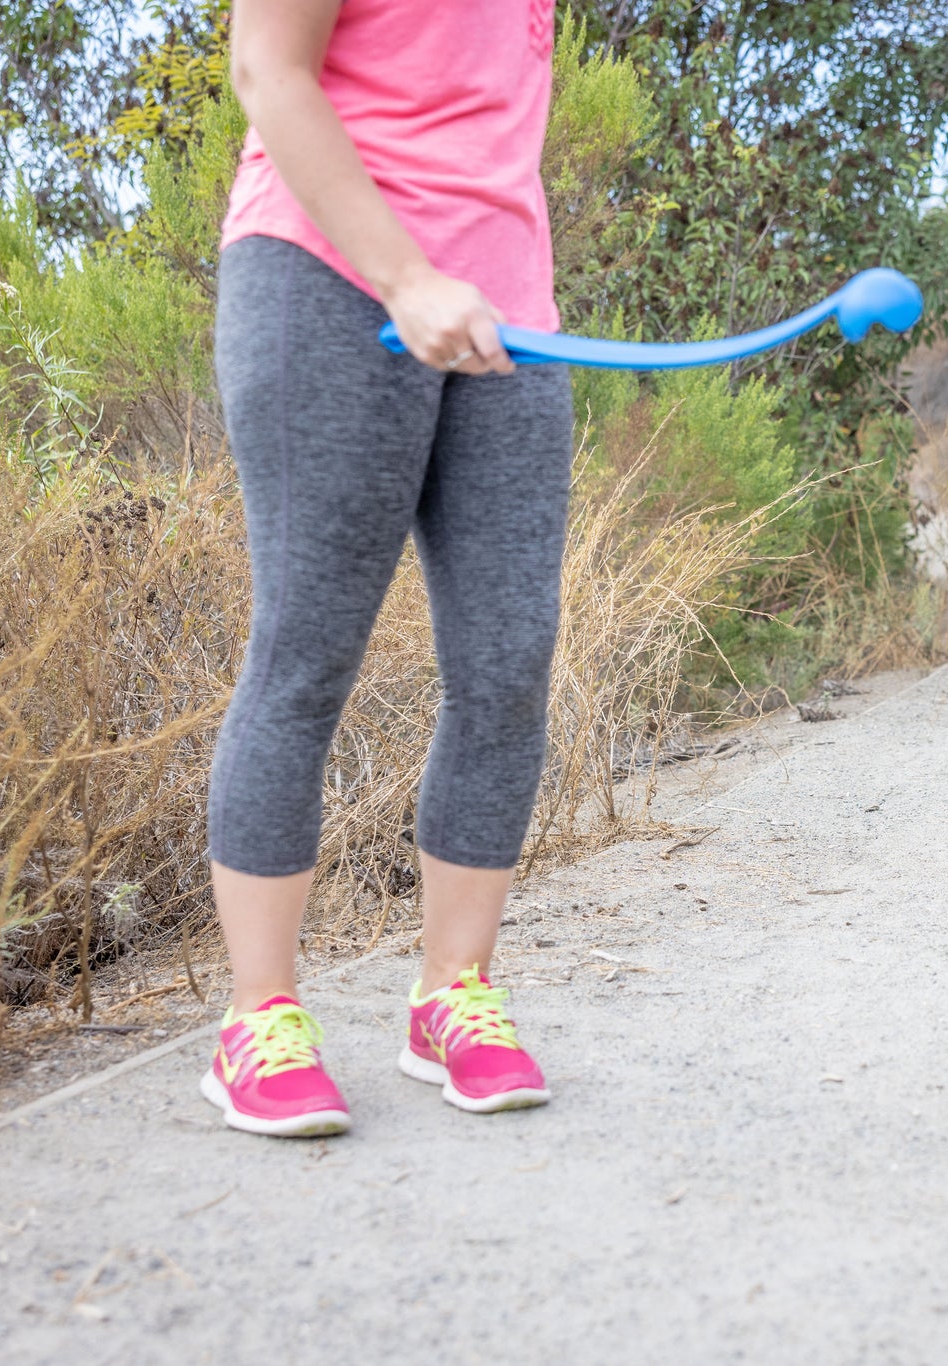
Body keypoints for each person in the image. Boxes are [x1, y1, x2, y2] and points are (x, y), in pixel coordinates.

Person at [197, 0, 571, 1138]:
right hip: (328, 279)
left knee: (508, 663)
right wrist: (405, 276)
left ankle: (449, 995)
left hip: (508, 309)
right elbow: (267, 67)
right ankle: (256, 1017)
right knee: (307, 653)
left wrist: (459, 283)